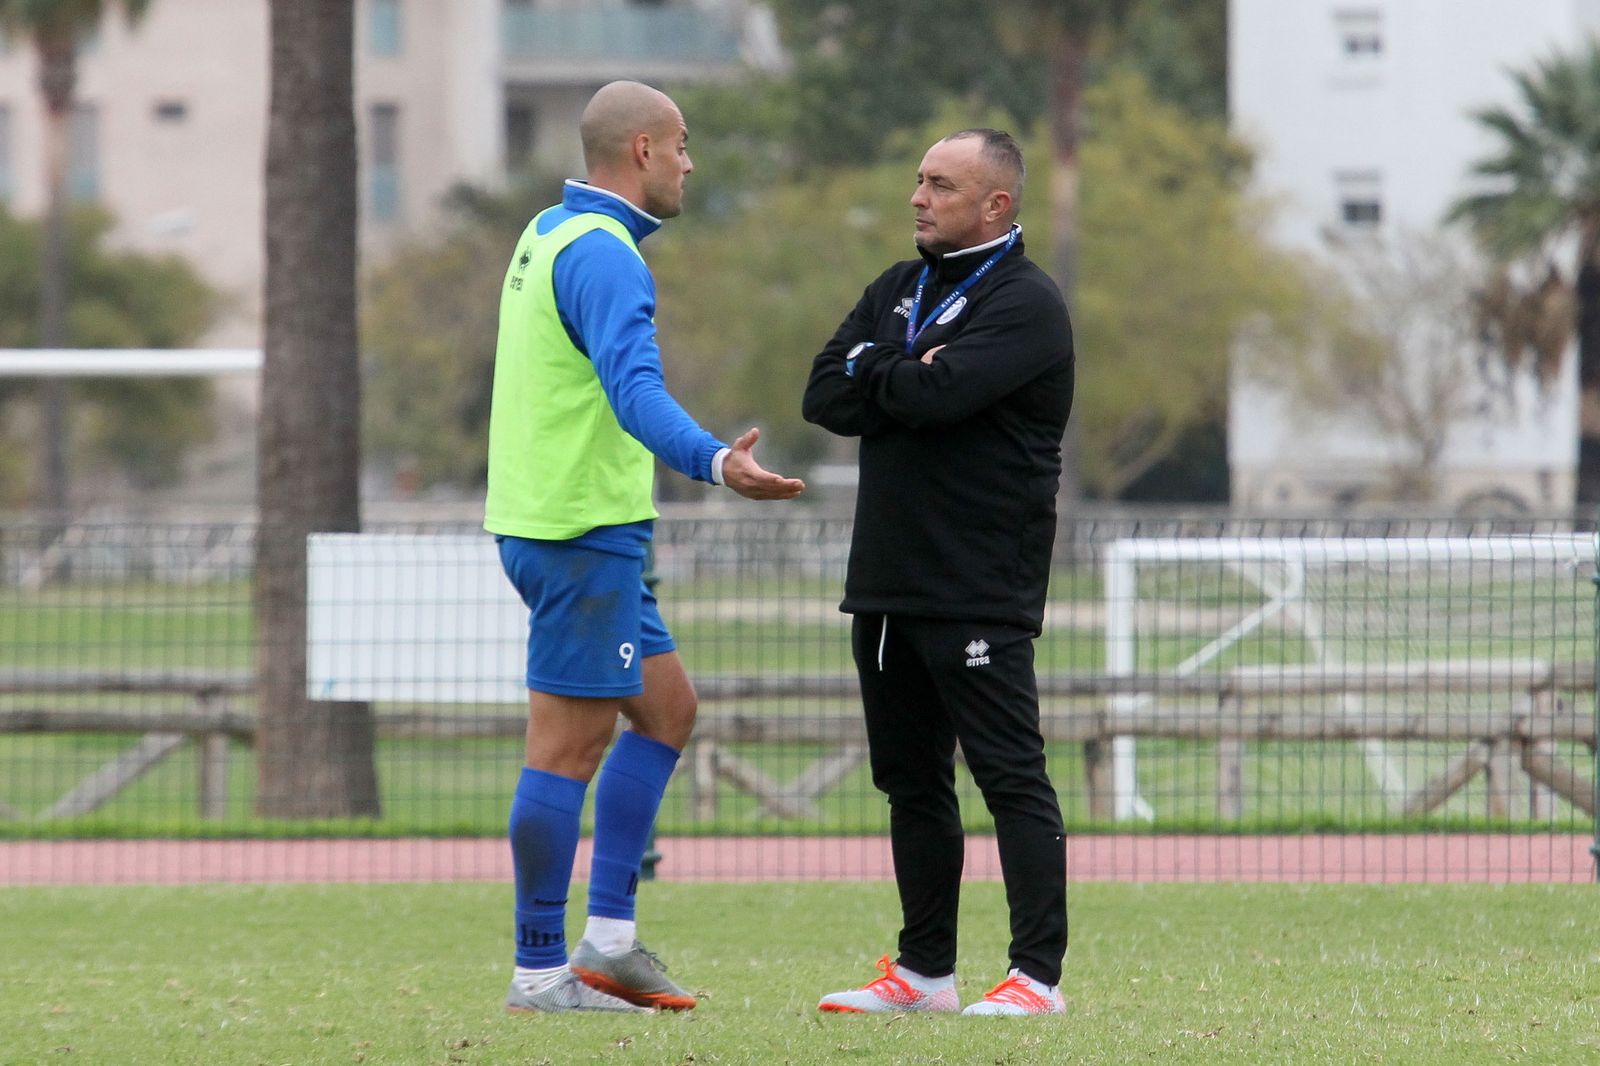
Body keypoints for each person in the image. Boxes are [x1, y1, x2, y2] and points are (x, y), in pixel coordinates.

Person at [485, 80, 805, 1015]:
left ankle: (611, 942)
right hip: (576, 532)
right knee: (566, 751)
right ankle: (541, 973)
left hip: (576, 526)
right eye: (682, 145)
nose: (690, 163)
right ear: (641, 152)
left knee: (666, 710)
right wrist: (716, 461)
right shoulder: (605, 254)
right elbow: (634, 393)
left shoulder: (548, 230)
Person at [801, 129, 1073, 1017]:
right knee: (911, 782)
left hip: (978, 586)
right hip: (886, 585)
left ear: (996, 204)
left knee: (1009, 777)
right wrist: (899, 369)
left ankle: (1036, 978)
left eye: (940, 185)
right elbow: (824, 394)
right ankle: (925, 976)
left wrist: (890, 373)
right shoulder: (898, 286)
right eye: (918, 179)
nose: (918, 197)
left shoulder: (1028, 304)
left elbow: (942, 393)